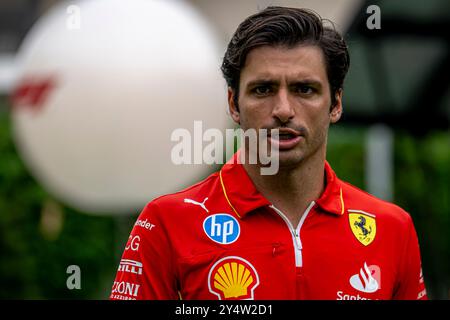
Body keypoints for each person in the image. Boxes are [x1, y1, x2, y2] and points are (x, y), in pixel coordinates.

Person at [110, 6, 427, 300]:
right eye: (263, 89)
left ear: (336, 104)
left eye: (305, 89)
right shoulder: (165, 224)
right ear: (234, 104)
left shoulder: (393, 229)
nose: (284, 110)